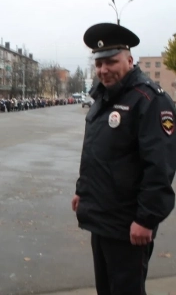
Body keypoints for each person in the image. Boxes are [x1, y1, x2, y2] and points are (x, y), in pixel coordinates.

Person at [72, 22, 176, 295]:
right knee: (106, 290)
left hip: (129, 225)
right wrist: (82, 191)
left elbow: (160, 167)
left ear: (129, 60)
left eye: (111, 62)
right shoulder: (102, 99)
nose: (103, 70)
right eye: (98, 64)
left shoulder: (149, 100)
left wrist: (146, 219)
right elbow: (96, 153)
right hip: (102, 218)